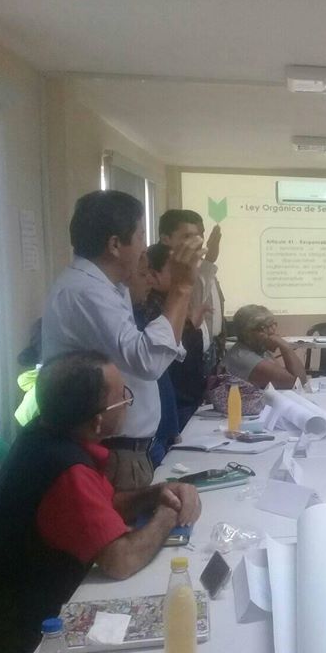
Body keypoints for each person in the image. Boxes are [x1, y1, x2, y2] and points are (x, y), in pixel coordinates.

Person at [0, 351, 201, 653]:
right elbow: (121, 560)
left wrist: (159, 492)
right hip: (31, 644)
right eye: (123, 397)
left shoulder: (47, 434)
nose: (129, 402)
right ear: (98, 423)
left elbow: (105, 506)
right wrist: (168, 513)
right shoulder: (67, 470)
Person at [41, 190, 203, 490]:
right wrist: (181, 287)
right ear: (115, 244)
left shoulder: (109, 287)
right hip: (114, 453)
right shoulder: (85, 292)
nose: (144, 248)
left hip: (129, 448)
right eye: (140, 236)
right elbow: (147, 361)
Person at [145, 243, 208, 431]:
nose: (184, 273)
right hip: (175, 400)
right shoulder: (153, 309)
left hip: (186, 398)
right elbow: (173, 357)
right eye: (175, 268)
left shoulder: (173, 302)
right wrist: (190, 326)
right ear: (153, 275)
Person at [130, 250, 180, 467]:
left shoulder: (139, 313)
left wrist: (172, 427)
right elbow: (151, 365)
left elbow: (162, 378)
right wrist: (182, 289)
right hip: (141, 439)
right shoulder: (147, 313)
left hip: (158, 430)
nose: (149, 280)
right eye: (143, 274)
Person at [159, 209, 226, 366]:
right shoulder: (162, 267)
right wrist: (209, 261)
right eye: (188, 236)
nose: (199, 241)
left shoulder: (200, 265)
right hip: (179, 356)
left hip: (207, 348)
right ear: (165, 239)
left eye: (200, 234)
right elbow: (194, 304)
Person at [224, 304, 308, 389]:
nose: (272, 331)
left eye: (273, 324)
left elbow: (299, 380)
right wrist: (285, 346)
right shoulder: (244, 358)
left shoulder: (257, 348)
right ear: (247, 332)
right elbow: (298, 384)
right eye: (263, 327)